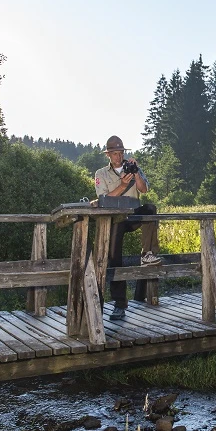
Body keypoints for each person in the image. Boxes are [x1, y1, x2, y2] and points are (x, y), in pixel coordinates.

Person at [94, 136, 162, 320]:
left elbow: (144, 189)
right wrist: (123, 185)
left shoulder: (132, 167)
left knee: (150, 209)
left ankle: (148, 253)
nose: (118, 157)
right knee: (114, 259)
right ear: (108, 155)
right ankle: (119, 304)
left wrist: (137, 173)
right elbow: (103, 199)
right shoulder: (101, 173)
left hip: (133, 213)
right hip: (115, 217)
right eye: (115, 153)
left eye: (121, 153)